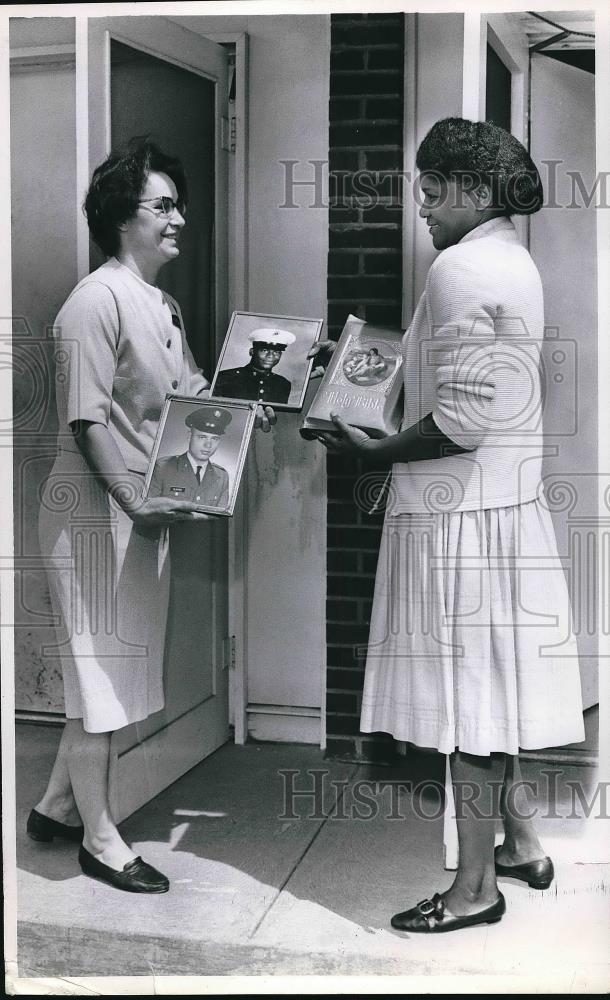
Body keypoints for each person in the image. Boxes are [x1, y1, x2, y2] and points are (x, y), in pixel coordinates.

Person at [316, 118, 584, 933]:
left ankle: (474, 891)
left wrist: (372, 450)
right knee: (493, 688)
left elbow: (461, 421)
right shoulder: (515, 258)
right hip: (501, 512)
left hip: (461, 518)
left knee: (470, 705)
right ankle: (522, 843)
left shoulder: (463, 265)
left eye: (432, 191)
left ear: (470, 189)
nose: (423, 209)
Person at [30, 138, 276, 894]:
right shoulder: (92, 302)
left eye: (178, 205)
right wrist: (137, 500)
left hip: (140, 515)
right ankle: (100, 842)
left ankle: (54, 807)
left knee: (110, 676)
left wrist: (249, 407)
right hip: (94, 520)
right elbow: (87, 421)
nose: (179, 219)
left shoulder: (159, 305)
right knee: (101, 682)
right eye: (162, 206)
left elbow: (191, 398)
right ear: (121, 218)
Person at [150, 405, 231, 508]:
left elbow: (219, 519)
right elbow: (150, 511)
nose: (208, 445)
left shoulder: (222, 476)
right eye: (202, 437)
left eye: (214, 439)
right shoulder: (163, 467)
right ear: (189, 436)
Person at [213, 327, 296, 404]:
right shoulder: (226, 377)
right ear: (252, 352)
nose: (271, 356)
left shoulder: (283, 384)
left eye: (276, 352)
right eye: (264, 350)